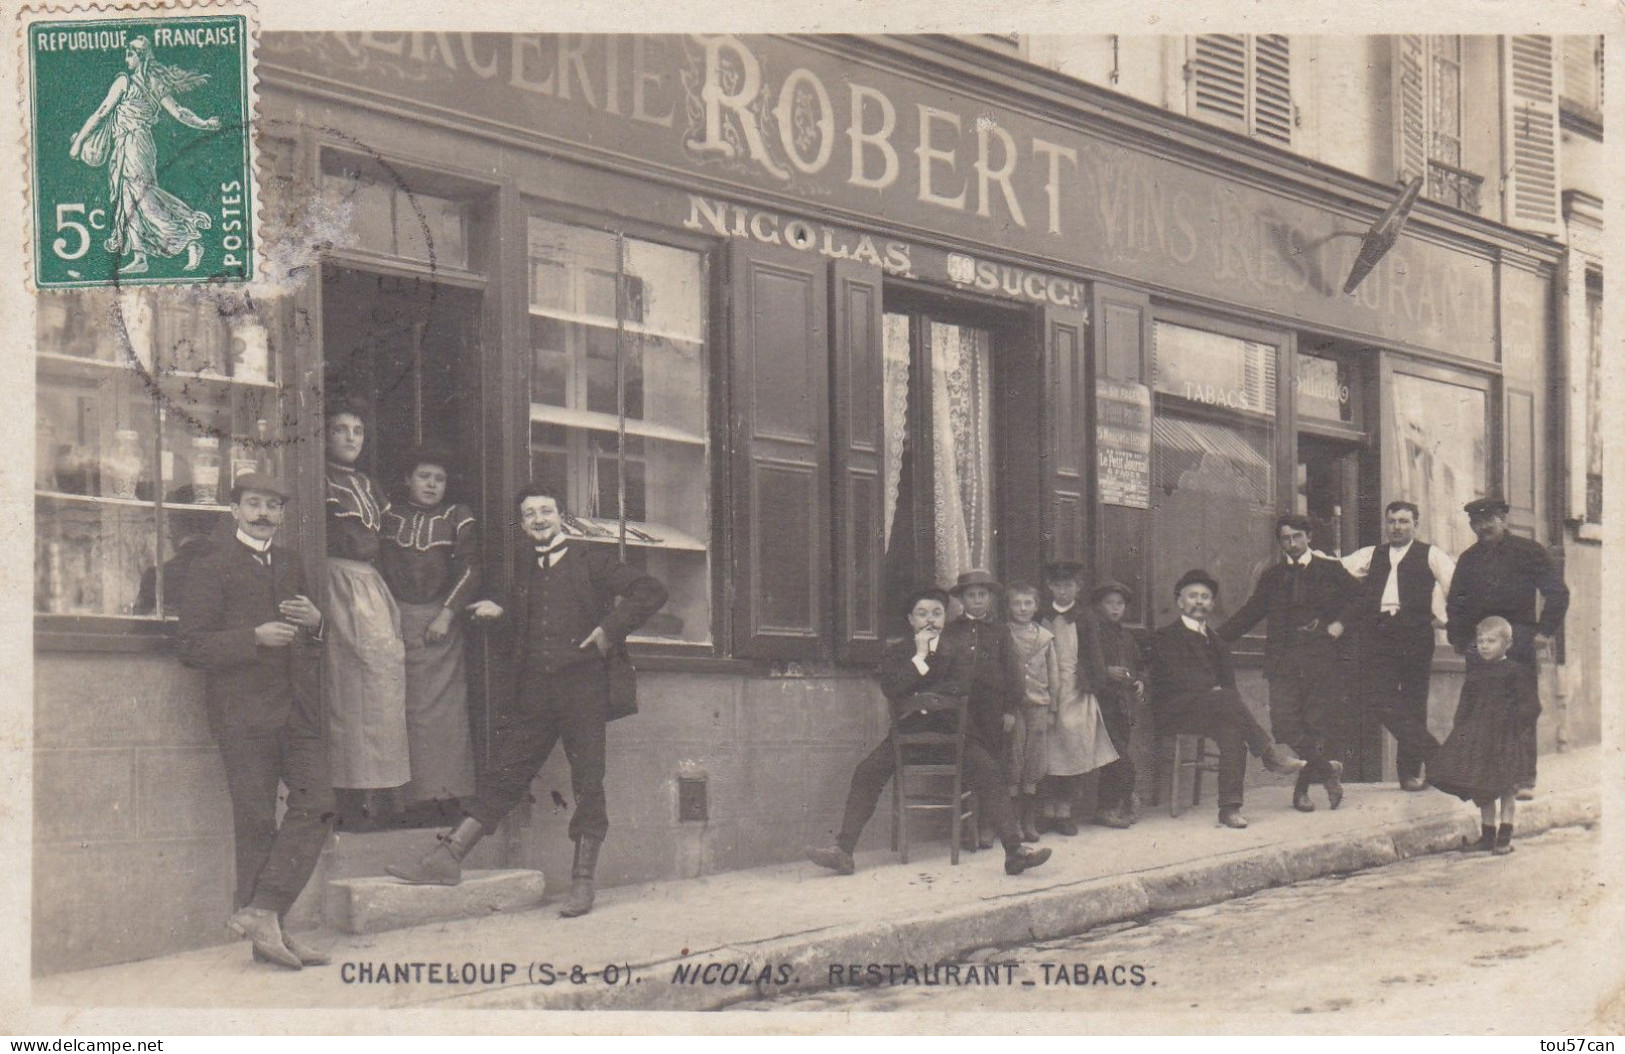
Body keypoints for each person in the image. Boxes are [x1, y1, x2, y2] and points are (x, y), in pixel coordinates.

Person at [388, 485, 667, 918]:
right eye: (529, 514)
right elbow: (533, 618)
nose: (538, 519)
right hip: (537, 690)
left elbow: (650, 590)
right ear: (521, 524)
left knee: (588, 783)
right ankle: (447, 858)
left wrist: (609, 630)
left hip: (584, 690)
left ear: (562, 516)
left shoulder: (592, 560)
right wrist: (502, 614)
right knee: (507, 772)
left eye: (546, 511)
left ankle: (582, 884)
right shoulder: (524, 571)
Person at [175, 473, 331, 970]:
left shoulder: (290, 562)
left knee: (320, 804)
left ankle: (265, 911)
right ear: (236, 510)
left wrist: (317, 623)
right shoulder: (209, 564)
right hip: (242, 714)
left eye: (272, 506)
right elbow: (191, 646)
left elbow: (310, 639)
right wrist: (253, 638)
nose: (263, 513)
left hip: (296, 711)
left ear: (282, 515)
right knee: (257, 822)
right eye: (254, 504)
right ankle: (271, 933)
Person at [804, 587, 1052, 877]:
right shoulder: (898, 652)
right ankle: (844, 851)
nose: (930, 620)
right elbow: (891, 688)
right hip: (909, 738)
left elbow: (960, 687)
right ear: (911, 619)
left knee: (990, 771)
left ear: (945, 617)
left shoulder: (959, 649)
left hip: (955, 735)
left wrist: (919, 695)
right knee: (867, 771)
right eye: (922, 614)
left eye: (936, 613)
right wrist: (920, 658)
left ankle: (1014, 853)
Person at [1217, 514, 1361, 812]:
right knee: (1283, 725)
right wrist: (1216, 639)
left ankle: (1302, 792)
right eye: (1285, 538)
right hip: (1283, 662)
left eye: (1297, 536)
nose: (1292, 543)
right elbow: (1251, 612)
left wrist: (1339, 625)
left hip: (1321, 661)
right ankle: (1327, 770)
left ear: (1309, 537)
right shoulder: (1273, 576)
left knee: (1314, 727)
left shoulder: (1331, 570)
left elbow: (1361, 599)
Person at [1149, 570, 1308, 829]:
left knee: (1233, 732)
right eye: (1192, 596)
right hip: (1176, 710)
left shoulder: (1218, 641)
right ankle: (1269, 755)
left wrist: (1218, 695)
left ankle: (1229, 808)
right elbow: (1172, 679)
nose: (1199, 602)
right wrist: (1213, 692)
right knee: (1224, 698)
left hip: (1212, 710)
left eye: (1205, 597)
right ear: (1180, 602)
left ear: (1212, 604)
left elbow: (1230, 688)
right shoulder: (1166, 636)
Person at [1446, 496, 1569, 802]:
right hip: (1482, 646)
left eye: (1488, 520)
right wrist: (1460, 640)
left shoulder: (1529, 552)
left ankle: (1524, 777)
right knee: (1478, 710)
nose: (1482, 527)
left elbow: (1558, 593)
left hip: (1519, 643)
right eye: (1476, 522)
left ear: (1503, 518)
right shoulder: (1468, 559)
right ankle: (1485, 776)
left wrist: (1544, 632)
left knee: (1521, 709)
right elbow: (1456, 602)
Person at [378, 446, 480, 806]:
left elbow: (471, 569)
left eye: (439, 479)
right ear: (407, 479)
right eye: (424, 476)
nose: (432, 484)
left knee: (441, 716)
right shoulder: (387, 514)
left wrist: (447, 614)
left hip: (439, 626)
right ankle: (398, 801)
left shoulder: (457, 516)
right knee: (394, 709)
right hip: (391, 620)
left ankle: (442, 797)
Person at [68, 37, 218, 275]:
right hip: (132, 145)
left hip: (134, 145)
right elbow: (179, 112)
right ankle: (140, 256)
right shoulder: (155, 82)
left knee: (141, 196)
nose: (126, 59)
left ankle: (189, 238)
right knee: (128, 197)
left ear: (140, 56)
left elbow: (101, 112)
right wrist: (204, 123)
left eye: (130, 54)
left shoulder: (124, 81)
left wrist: (78, 142)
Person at [323, 406, 409, 809]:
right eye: (341, 430)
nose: (351, 438)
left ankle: (378, 793)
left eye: (358, 430)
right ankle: (349, 796)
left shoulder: (368, 484)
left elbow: (389, 541)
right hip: (336, 583)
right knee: (347, 688)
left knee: (380, 683)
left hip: (370, 584)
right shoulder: (320, 479)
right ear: (325, 436)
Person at [1338, 500, 1456, 791]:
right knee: (1379, 699)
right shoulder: (1371, 555)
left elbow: (1456, 587)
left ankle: (1408, 774)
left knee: (1414, 704)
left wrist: (1442, 617)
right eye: (1391, 521)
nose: (1396, 527)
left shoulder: (1431, 555)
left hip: (1416, 634)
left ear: (1416, 524)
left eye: (1403, 521)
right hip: (1379, 634)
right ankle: (1438, 756)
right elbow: (1337, 571)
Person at [1427, 617, 1541, 856]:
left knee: (1505, 787)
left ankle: (1505, 836)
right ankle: (1487, 836)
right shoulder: (1476, 673)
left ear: (1507, 644)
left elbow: (1530, 707)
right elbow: (1465, 704)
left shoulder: (1515, 671)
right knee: (1482, 787)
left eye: (1491, 641)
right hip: (1479, 739)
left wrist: (1515, 727)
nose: (1485, 646)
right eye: (1481, 641)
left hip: (1505, 739)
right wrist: (1461, 728)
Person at [1039, 562, 1118, 835]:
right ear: (1050, 586)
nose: (1063, 591)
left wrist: (1095, 683)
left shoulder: (1085, 617)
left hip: (1075, 687)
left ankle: (1066, 811)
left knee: (1073, 749)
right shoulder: (1042, 615)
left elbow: (1094, 653)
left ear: (1078, 587)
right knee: (1048, 752)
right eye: (1058, 585)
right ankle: (1047, 810)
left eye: (1068, 585)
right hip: (1047, 687)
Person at [1087, 580, 1144, 829]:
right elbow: (1085, 665)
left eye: (1119, 604)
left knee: (1115, 757)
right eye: (1109, 603)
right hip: (1103, 704)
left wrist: (1140, 681)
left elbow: (1138, 665)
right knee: (1117, 758)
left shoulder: (1127, 637)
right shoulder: (1094, 635)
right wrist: (1106, 672)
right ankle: (1120, 801)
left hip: (1125, 706)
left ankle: (1110, 806)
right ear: (1099, 606)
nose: (1115, 608)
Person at [1004, 583, 1058, 842]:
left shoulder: (1045, 638)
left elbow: (1054, 676)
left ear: (1036, 606)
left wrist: (1053, 709)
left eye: (1028, 603)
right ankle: (1013, 821)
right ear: (1009, 607)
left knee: (1035, 760)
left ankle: (1029, 819)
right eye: (1017, 603)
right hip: (1014, 707)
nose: (1023, 608)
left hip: (1039, 705)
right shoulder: (1004, 634)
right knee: (1014, 758)